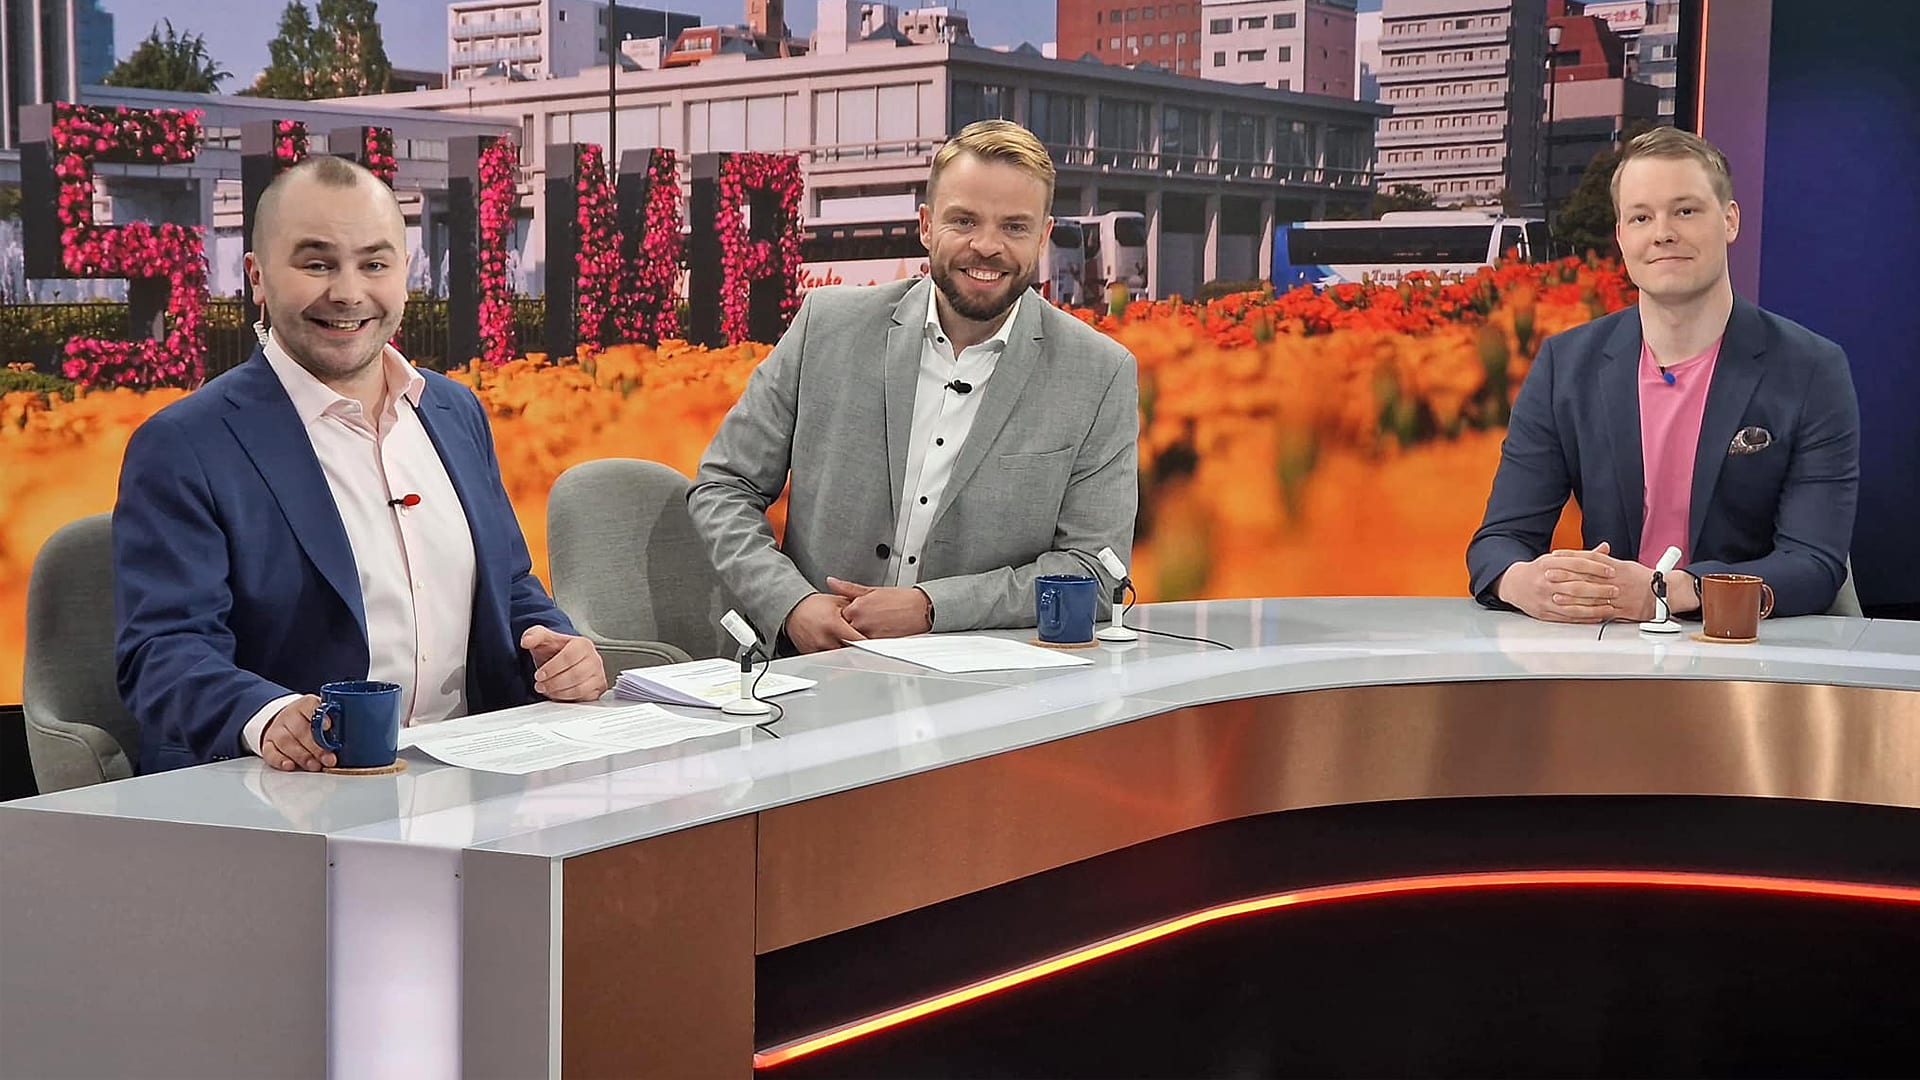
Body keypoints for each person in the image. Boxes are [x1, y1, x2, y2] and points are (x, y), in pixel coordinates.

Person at [114, 155, 607, 774]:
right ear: (257, 277)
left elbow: (508, 588)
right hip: (288, 788)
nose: (348, 292)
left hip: (471, 773)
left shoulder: (452, 411)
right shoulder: (185, 444)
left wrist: (558, 649)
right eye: (317, 264)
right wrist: (268, 716)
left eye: (374, 264)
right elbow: (162, 651)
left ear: (404, 272)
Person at [689, 120, 1139, 653]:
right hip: (809, 671)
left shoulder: (1099, 373)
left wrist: (933, 608)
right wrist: (790, 603)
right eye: (964, 220)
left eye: (1014, 227)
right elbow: (724, 489)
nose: (986, 246)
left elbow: (1095, 570)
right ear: (926, 225)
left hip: (984, 684)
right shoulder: (826, 326)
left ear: (1043, 237)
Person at [1468, 127, 1859, 623]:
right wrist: (1527, 582)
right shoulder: (1564, 366)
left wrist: (1673, 591)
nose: (1662, 233)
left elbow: (1814, 564)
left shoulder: (1811, 370)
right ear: (1621, 236)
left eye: (1685, 211)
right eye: (1641, 217)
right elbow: (1498, 543)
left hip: (1746, 645)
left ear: (1730, 220)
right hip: (1609, 644)